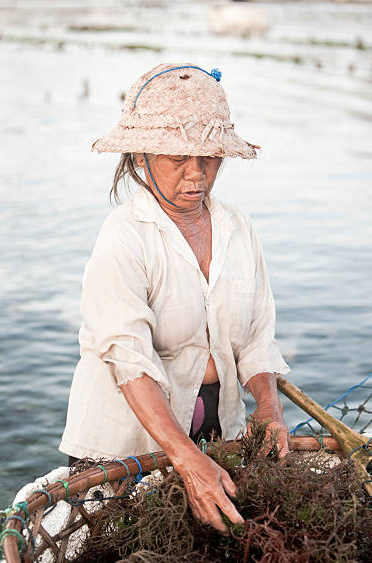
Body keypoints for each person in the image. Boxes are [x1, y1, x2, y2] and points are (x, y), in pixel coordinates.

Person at [59, 63, 290, 532]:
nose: (197, 173)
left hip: (214, 433)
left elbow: (258, 338)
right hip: (125, 445)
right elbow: (128, 360)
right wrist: (185, 460)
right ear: (142, 156)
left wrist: (268, 408)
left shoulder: (238, 228)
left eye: (209, 157)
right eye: (176, 157)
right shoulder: (125, 236)